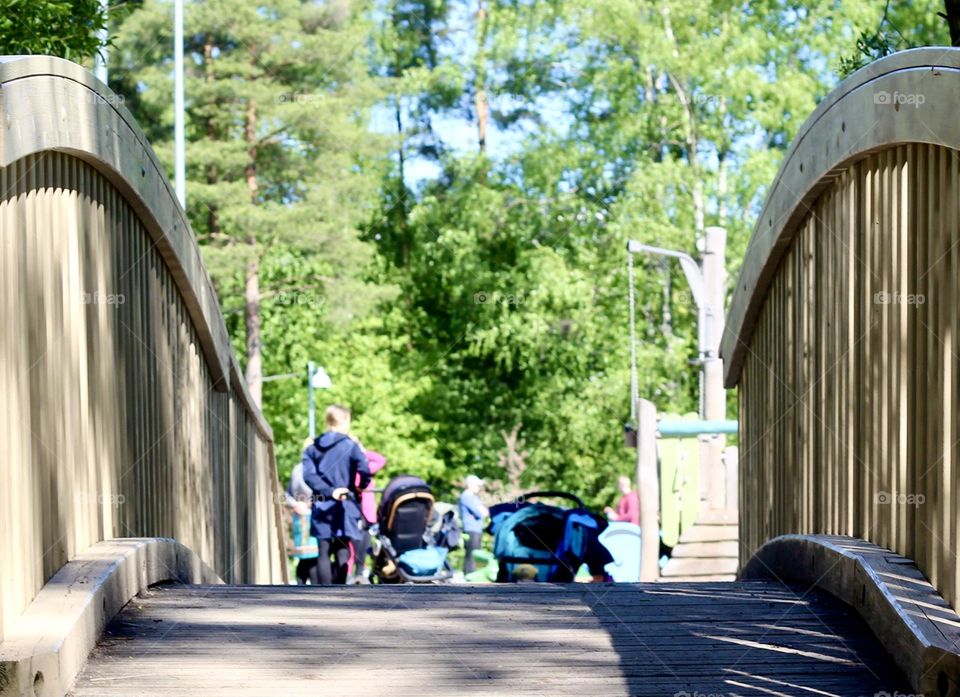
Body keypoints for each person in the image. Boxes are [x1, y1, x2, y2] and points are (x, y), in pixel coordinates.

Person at [302, 405, 370, 585]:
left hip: (321, 502)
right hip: (345, 503)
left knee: (323, 550)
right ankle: (340, 594)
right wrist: (359, 488)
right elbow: (364, 469)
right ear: (345, 419)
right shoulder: (350, 445)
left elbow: (308, 476)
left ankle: (325, 595)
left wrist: (329, 492)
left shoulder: (312, 447)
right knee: (342, 548)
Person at [286, 437, 320, 584]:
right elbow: (288, 494)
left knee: (309, 557)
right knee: (309, 556)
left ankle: (302, 587)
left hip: (304, 514)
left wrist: (296, 504)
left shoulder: (299, 468)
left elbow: (288, 495)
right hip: (307, 516)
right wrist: (298, 504)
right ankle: (309, 589)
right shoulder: (309, 469)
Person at [459, 475, 488, 575]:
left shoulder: (473, 497)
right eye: (477, 485)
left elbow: (484, 511)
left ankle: (471, 576)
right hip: (471, 530)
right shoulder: (467, 496)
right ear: (470, 485)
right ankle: (469, 577)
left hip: (476, 529)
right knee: (472, 555)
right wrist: (483, 510)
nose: (479, 488)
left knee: (474, 555)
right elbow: (481, 513)